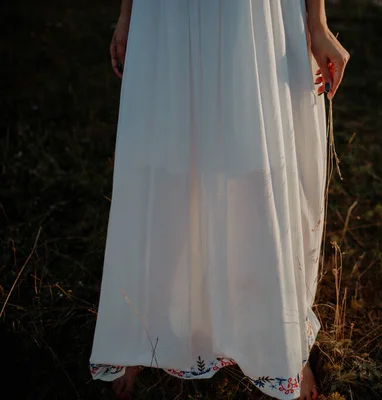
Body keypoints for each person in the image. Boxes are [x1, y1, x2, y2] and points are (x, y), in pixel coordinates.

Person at [88, 1, 349, 399]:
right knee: (169, 158)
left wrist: (318, 23)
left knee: (256, 158)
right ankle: (146, 330)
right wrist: (126, 15)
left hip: (252, 13)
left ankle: (282, 347)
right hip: (169, 14)